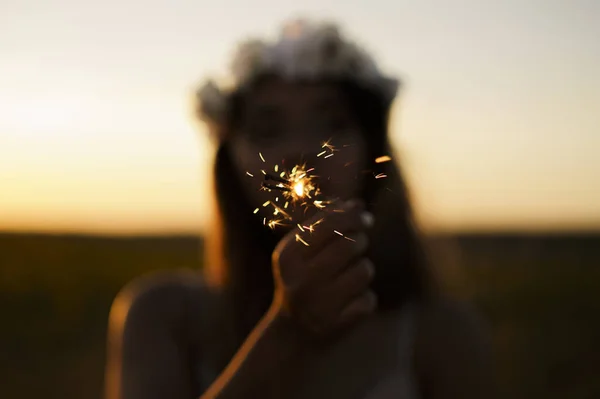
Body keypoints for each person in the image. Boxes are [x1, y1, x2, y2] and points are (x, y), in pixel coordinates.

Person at [104, 19, 493, 399]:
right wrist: (288, 330)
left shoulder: (440, 333)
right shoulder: (163, 318)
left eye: (332, 123)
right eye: (268, 130)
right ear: (229, 162)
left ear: (372, 153)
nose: (302, 150)